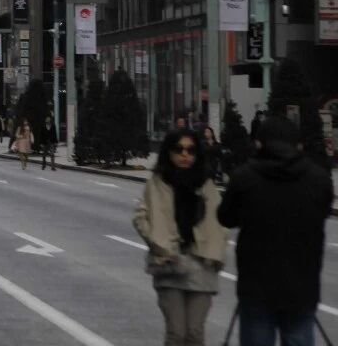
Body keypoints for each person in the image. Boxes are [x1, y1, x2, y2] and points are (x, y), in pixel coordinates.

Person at [218, 117, 334, 346]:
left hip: (256, 287)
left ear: (259, 143)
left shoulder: (244, 177)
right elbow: (323, 212)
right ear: (298, 145)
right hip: (302, 286)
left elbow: (226, 217)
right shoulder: (318, 179)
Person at [133, 130, 227, 346]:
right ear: (169, 152)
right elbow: (141, 217)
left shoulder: (206, 184)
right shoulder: (158, 182)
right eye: (179, 149)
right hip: (169, 262)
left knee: (194, 333)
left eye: (191, 150)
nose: (185, 155)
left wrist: (216, 249)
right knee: (176, 333)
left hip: (201, 264)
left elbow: (221, 221)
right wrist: (159, 244)